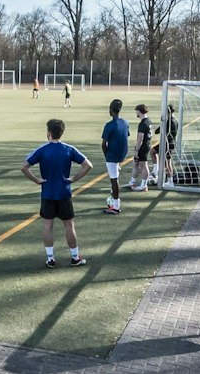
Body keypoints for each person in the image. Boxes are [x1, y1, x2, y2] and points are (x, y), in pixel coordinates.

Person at [20, 118, 91, 269]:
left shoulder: (42, 150)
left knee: (48, 225)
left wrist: (37, 180)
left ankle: (51, 258)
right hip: (64, 193)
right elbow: (87, 165)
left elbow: (24, 167)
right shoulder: (69, 149)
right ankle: (74, 256)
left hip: (48, 194)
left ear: (48, 133)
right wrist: (73, 179)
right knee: (69, 225)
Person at [99, 99, 129, 214]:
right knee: (115, 174)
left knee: (114, 179)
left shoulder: (109, 125)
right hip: (122, 153)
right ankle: (112, 197)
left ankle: (115, 205)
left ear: (111, 110)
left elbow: (103, 144)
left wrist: (107, 155)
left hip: (112, 155)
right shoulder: (125, 122)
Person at [129, 104, 154, 191]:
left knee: (143, 165)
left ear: (139, 111)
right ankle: (132, 182)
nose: (136, 112)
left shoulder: (143, 123)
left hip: (142, 147)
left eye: (136, 111)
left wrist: (136, 150)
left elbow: (140, 138)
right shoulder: (149, 121)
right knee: (135, 163)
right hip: (146, 145)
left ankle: (144, 185)